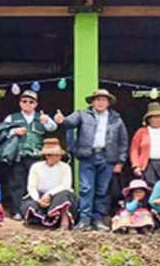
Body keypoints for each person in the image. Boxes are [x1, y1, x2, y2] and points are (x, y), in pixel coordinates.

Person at [54, 89, 127, 231]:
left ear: (108, 103)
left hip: (107, 157)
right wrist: (61, 120)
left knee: (102, 190)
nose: (100, 102)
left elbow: (123, 141)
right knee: (86, 188)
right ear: (93, 102)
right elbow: (69, 123)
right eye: (97, 99)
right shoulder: (82, 114)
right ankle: (84, 220)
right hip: (88, 156)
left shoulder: (116, 119)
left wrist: (121, 161)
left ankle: (98, 220)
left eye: (103, 100)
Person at [3, 90, 58, 221]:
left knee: (35, 184)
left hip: (37, 156)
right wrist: (13, 131)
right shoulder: (12, 117)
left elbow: (53, 128)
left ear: (36, 104)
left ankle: (35, 209)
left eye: (31, 102)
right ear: (20, 103)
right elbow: (1, 132)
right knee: (17, 184)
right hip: (18, 155)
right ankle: (17, 211)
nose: (27, 104)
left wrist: (46, 121)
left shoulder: (42, 117)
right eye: (24, 101)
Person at [21, 139, 77, 229]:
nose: (59, 158)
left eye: (59, 155)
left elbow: (66, 185)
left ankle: (64, 223)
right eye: (56, 156)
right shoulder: (36, 167)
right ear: (47, 156)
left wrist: (50, 194)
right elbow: (31, 186)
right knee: (29, 205)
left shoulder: (65, 167)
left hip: (58, 194)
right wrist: (38, 199)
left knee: (64, 197)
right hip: (41, 195)